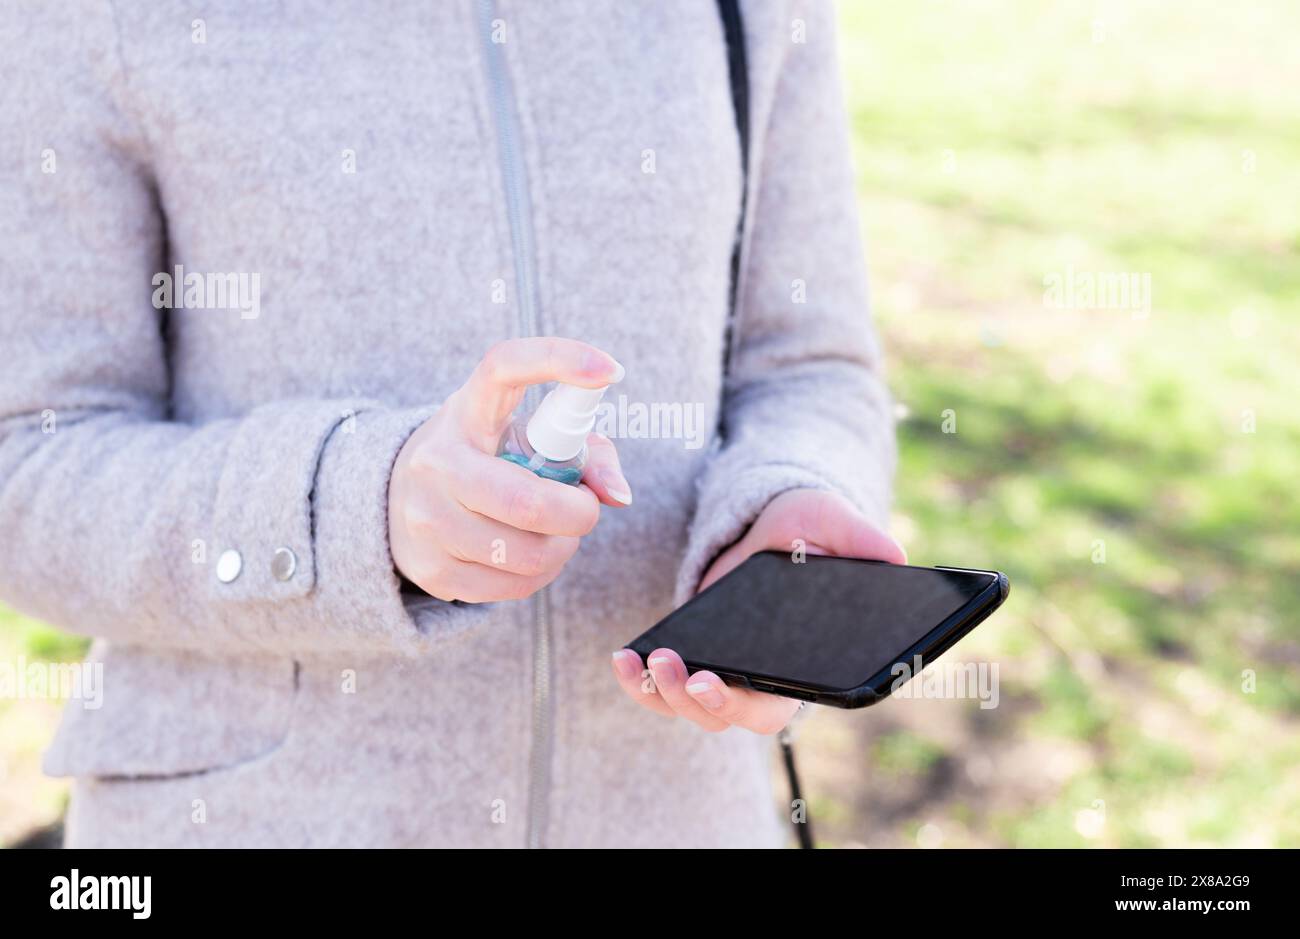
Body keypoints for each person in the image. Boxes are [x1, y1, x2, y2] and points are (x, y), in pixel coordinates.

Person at [0, 0, 903, 848]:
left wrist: (781, 507)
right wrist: (355, 509)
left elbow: (808, 366)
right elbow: (28, 461)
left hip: (685, 817)